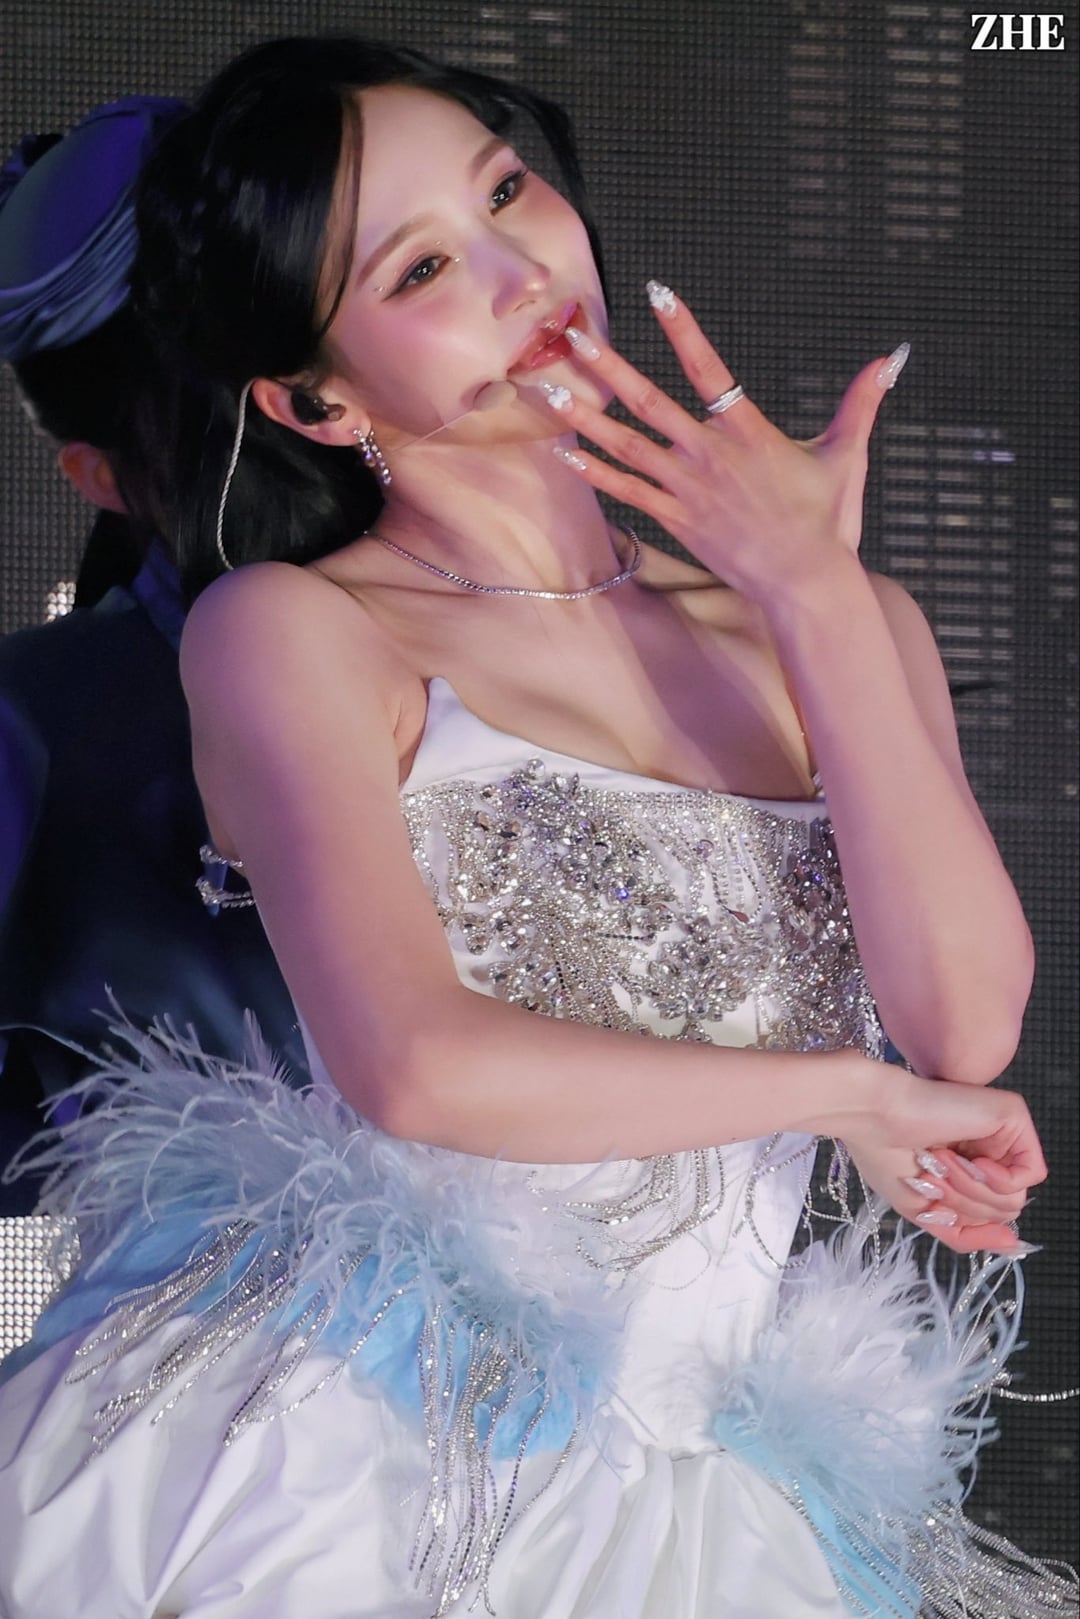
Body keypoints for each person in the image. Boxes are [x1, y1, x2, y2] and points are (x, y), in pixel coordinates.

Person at [0, 36, 1075, 1619]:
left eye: (507, 193)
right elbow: (416, 1062)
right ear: (313, 396)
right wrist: (846, 1090)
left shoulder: (840, 625)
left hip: (687, 1486)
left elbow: (965, 1024)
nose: (523, 275)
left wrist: (817, 595)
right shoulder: (295, 631)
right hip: (340, 1436)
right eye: (424, 265)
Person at [0, 97, 305, 1214]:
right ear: (101, 476)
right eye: (223, 420)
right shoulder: (34, 721)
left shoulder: (567, 623)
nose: (299, 427)